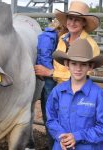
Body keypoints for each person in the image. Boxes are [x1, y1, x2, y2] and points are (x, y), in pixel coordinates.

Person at [46, 39, 103, 150]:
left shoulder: (98, 94)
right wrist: (61, 136)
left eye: (83, 64)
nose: (78, 68)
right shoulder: (57, 91)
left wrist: (77, 136)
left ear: (90, 67)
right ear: (67, 65)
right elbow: (51, 119)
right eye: (74, 63)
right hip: (61, 146)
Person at [35, 18, 67, 149]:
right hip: (50, 78)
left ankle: (54, 142)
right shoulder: (49, 36)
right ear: (62, 27)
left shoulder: (56, 36)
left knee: (53, 110)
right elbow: (44, 56)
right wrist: (52, 73)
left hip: (54, 75)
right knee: (51, 111)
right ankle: (52, 143)